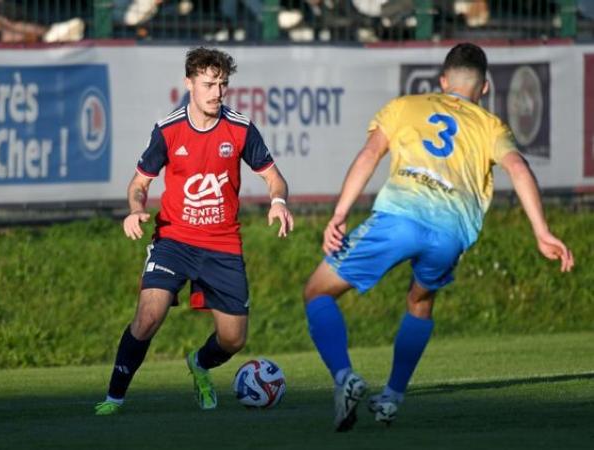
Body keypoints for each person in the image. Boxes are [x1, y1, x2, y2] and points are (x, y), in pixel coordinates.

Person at [302, 42, 574, 432]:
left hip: (400, 218)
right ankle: (392, 397)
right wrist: (542, 231)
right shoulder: (491, 126)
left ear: (442, 80)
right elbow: (519, 169)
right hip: (451, 233)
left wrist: (340, 214)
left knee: (317, 291)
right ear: (483, 89)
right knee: (420, 299)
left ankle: (345, 377)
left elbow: (369, 155)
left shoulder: (405, 106)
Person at [95, 47, 294, 415]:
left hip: (222, 245)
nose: (217, 93)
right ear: (189, 84)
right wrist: (135, 210)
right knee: (148, 317)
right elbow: (139, 183)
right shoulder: (168, 131)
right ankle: (113, 398)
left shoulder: (240, 128)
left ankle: (199, 364)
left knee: (233, 339)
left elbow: (273, 177)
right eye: (209, 84)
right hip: (174, 240)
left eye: (222, 84)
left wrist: (278, 201)